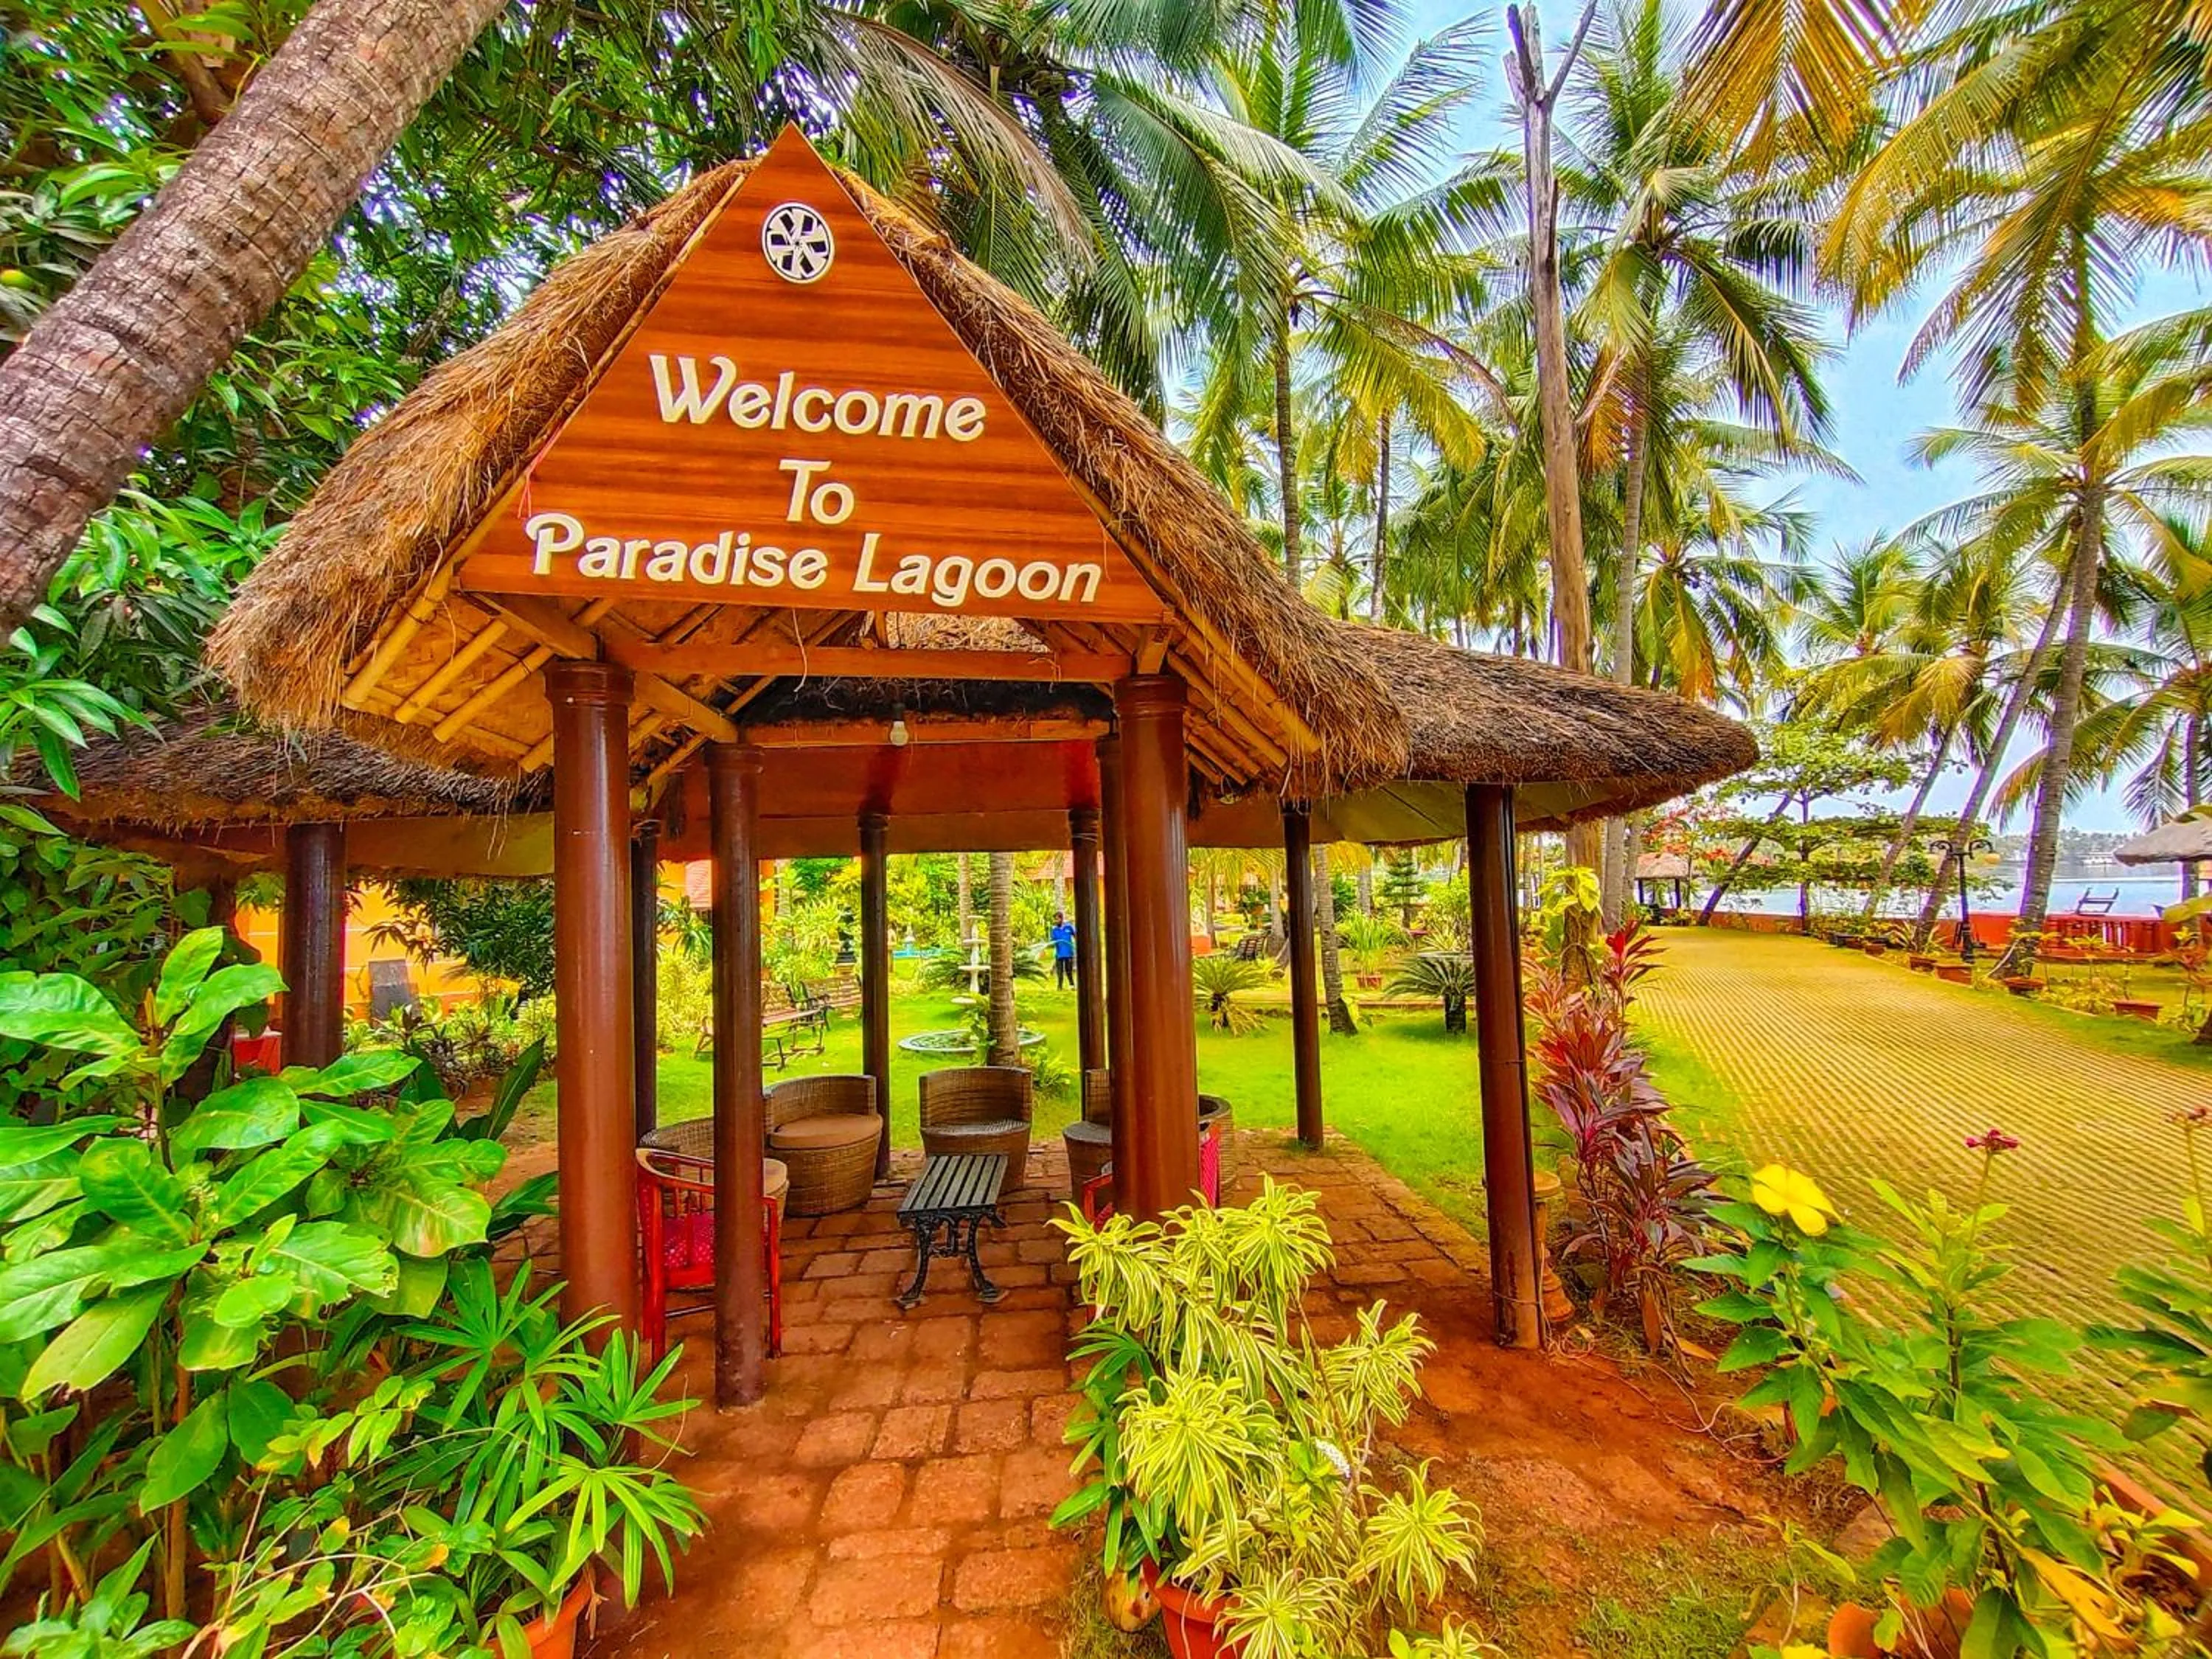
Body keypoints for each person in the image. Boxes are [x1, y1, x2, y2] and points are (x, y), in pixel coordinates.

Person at [1049, 911, 1077, 989]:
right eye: (1055, 919)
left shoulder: (1069, 927)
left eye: (1057, 919)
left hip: (1069, 953)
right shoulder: (1054, 930)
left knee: (1069, 971)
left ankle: (1072, 985)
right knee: (1060, 971)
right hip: (1059, 954)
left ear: (1061, 919)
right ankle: (1060, 986)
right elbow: (1052, 941)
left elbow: (1075, 935)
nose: (1056, 921)